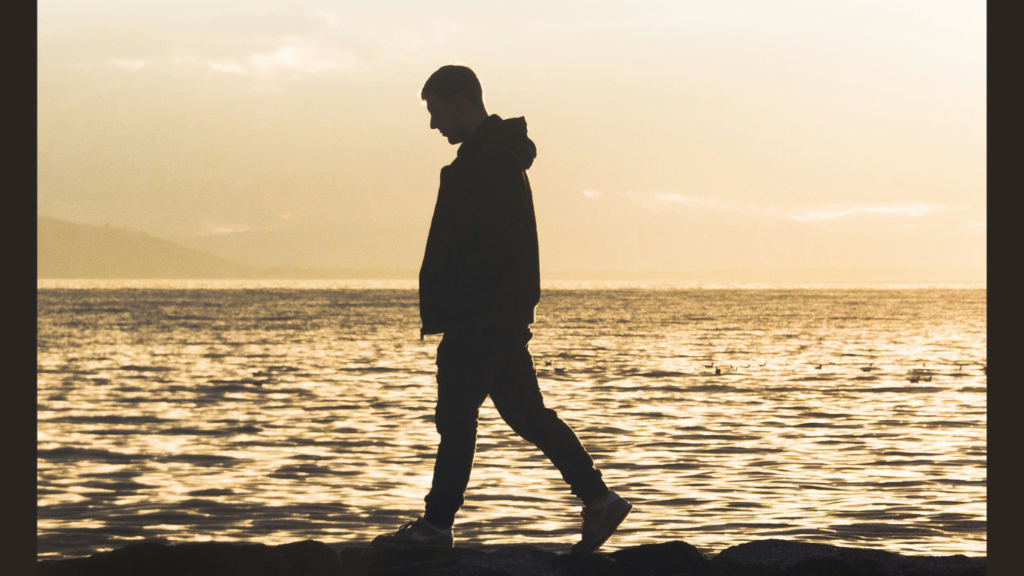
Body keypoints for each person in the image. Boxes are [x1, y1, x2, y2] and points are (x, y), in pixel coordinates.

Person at [371, 65, 631, 554]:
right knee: (526, 414)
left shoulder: (487, 162)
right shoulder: (489, 157)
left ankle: (435, 525)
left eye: (436, 112)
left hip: (481, 318)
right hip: (495, 316)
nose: (433, 125)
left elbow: (499, 243)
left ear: (460, 101)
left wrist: (473, 306)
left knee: (456, 417)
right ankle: (598, 498)